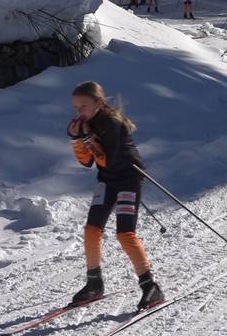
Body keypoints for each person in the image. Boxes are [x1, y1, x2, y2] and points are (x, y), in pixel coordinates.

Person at [67, 81, 165, 311]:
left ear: (99, 103)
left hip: (129, 178)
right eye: (75, 107)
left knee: (125, 233)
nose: (79, 111)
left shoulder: (110, 122)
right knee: (91, 229)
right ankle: (94, 284)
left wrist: (86, 138)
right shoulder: (86, 123)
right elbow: (86, 162)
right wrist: (76, 139)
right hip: (107, 180)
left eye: (83, 106)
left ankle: (151, 286)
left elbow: (105, 159)